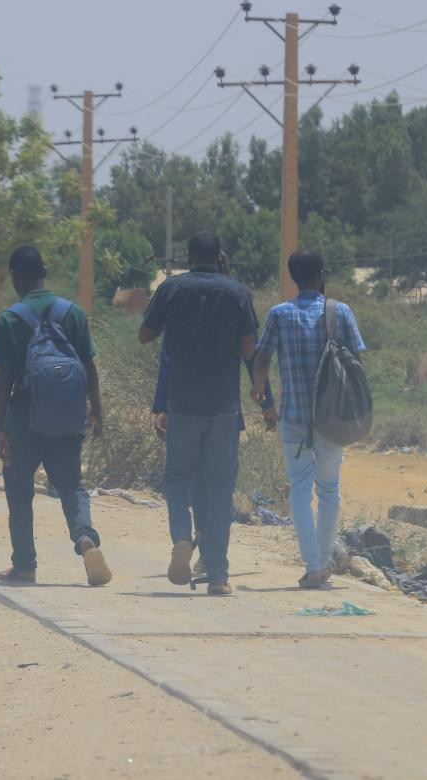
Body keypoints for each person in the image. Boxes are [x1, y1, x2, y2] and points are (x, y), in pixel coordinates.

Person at [139, 231, 261, 596]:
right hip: (223, 406)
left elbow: (146, 335)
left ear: (188, 257)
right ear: (218, 255)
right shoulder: (237, 293)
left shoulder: (172, 289)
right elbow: (249, 348)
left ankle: (181, 536)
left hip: (183, 405)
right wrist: (264, 398)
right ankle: (219, 575)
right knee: (220, 487)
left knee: (177, 477)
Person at [0, 245, 112, 587]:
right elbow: (89, 365)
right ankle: (85, 538)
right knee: (72, 486)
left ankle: (25, 566)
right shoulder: (73, 313)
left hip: (23, 422)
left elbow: (4, 377)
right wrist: (97, 411)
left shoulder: (9, 319)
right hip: (68, 420)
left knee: (19, 490)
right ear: (43, 271)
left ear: (16, 276)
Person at [251, 250, 366, 589]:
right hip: (333, 418)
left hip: (294, 416)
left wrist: (260, 390)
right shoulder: (341, 313)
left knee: (300, 490)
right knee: (329, 490)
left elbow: (262, 358)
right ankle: (323, 560)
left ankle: (313, 566)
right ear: (322, 275)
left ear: (293, 278)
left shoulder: (279, 314)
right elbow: (356, 363)